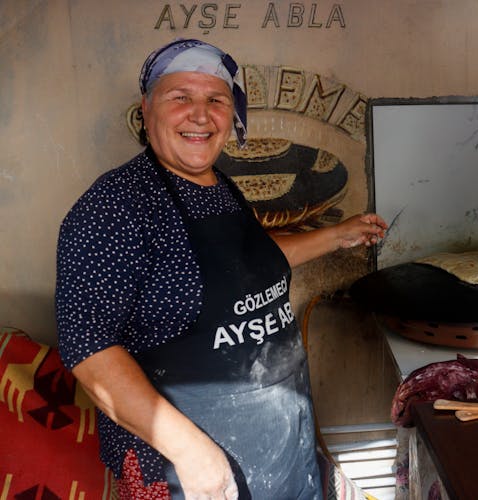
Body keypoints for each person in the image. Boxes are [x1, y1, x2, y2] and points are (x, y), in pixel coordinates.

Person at [55, 38, 387, 500]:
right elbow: (89, 347)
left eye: (216, 99)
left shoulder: (222, 187)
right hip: (190, 470)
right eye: (180, 98)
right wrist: (189, 452)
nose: (200, 113)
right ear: (146, 111)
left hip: (281, 441)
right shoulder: (114, 207)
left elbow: (253, 262)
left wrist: (338, 236)